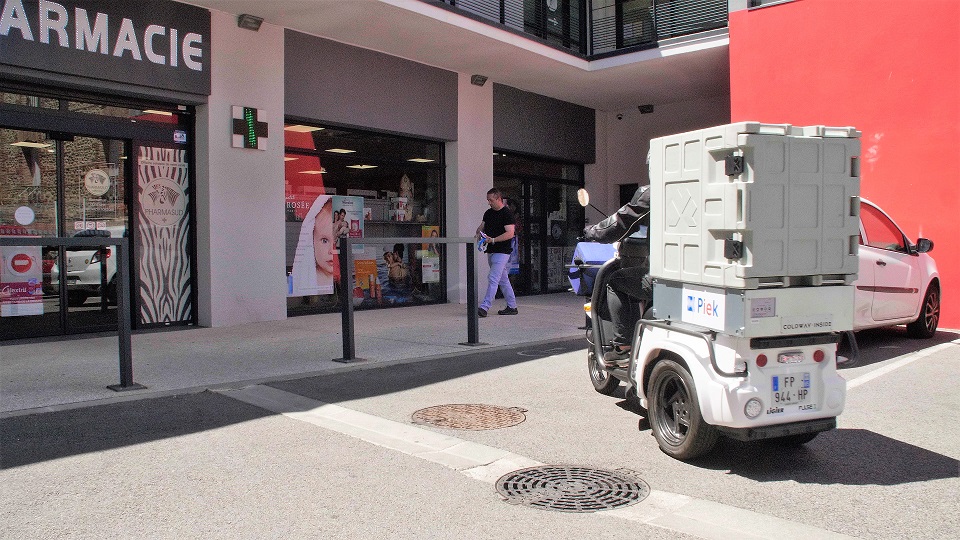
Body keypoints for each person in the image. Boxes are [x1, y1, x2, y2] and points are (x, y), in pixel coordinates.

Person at [581, 185, 652, 366]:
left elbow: (622, 221)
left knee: (616, 280)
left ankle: (623, 348)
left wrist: (592, 231)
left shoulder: (653, 191)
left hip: (665, 279)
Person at [475, 188, 518, 317]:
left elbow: (510, 233)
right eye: (488, 200)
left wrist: (493, 240)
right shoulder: (488, 213)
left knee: (493, 278)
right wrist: (478, 234)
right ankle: (512, 306)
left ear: (499, 199)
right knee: (503, 280)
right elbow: (481, 226)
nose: (489, 202)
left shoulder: (507, 214)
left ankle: (484, 307)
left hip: (502, 252)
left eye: (491, 200)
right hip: (491, 251)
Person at [291, 195, 335, 296]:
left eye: (337, 241)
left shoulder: (345, 277)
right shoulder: (307, 277)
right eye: (324, 240)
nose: (331, 250)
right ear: (311, 241)